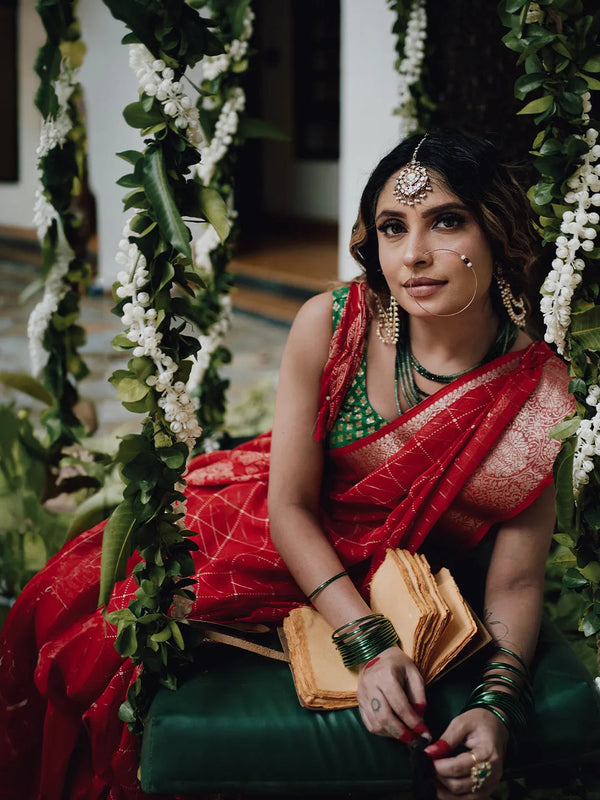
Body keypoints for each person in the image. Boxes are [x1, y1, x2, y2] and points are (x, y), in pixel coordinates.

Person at [0, 129, 574, 800]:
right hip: (261, 528)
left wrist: (496, 708)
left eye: (447, 221)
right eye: (393, 228)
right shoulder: (331, 326)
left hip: (408, 576)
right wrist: (368, 645)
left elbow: (515, 582)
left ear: (496, 233)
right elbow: (290, 507)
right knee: (71, 624)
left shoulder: (538, 396)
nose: (414, 255)